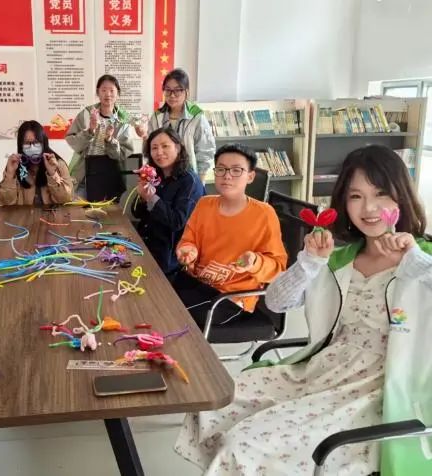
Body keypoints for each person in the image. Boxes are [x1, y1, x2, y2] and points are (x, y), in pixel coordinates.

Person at [175, 145, 432, 476]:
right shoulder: (340, 259)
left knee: (243, 445)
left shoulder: (421, 258)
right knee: (213, 401)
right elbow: (276, 303)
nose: (369, 208)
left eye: (381, 194)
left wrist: (414, 261)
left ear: (401, 195)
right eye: (356, 196)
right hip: (323, 369)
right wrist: (309, 263)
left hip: (379, 388)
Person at [173, 143, 287, 329]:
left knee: (168, 313)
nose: (227, 176)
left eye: (236, 170)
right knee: (155, 296)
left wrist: (255, 262)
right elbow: (188, 240)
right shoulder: (204, 204)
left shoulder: (264, 214)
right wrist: (188, 250)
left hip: (230, 299)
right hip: (197, 284)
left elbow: (278, 269)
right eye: (221, 169)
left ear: (250, 176)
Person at [131, 127, 204, 275]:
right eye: (154, 148)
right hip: (146, 245)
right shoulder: (156, 176)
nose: (159, 152)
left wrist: (151, 198)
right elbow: (137, 213)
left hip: (170, 259)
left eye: (165, 146)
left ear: (178, 148)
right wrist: (142, 196)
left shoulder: (190, 182)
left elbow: (177, 222)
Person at [135, 68, 215, 183]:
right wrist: (144, 136)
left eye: (177, 90)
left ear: (186, 92)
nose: (172, 95)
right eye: (168, 90)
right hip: (162, 176)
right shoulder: (157, 116)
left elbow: (205, 152)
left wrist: (199, 182)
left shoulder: (196, 117)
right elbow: (150, 148)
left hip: (188, 177)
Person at [65, 74, 134, 201]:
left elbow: (123, 154)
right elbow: (73, 142)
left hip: (113, 175)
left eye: (112, 90)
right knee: (81, 210)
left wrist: (110, 140)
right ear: (98, 92)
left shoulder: (124, 120)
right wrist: (90, 130)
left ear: (118, 93)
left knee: (110, 212)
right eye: (103, 90)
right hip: (85, 174)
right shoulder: (86, 114)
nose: (108, 94)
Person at [0, 120, 73, 206]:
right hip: (24, 215)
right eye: (27, 143)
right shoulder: (15, 166)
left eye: (36, 142)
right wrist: (9, 175)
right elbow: (4, 202)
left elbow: (66, 199)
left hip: (51, 215)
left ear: (43, 143)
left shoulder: (58, 164)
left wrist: (53, 174)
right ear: (20, 145)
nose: (32, 147)